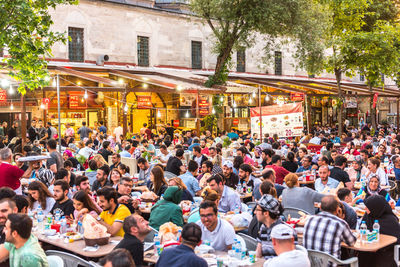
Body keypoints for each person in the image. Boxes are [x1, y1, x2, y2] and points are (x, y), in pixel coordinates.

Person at [303, 195, 356, 260]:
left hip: (310, 263)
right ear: (337, 209)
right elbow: (351, 242)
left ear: (320, 207)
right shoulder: (340, 224)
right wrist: (355, 234)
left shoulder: (309, 220)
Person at [359, 195, 400, 267]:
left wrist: (378, 246)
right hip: (367, 248)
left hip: (385, 251)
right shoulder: (369, 215)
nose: (365, 208)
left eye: (368, 207)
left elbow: (396, 239)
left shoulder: (391, 220)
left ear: (376, 207)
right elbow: (362, 231)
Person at [255, 194, 286, 259]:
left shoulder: (284, 231)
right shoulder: (263, 228)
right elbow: (258, 255)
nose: (255, 212)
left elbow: (286, 261)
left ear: (266, 213)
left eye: (257, 210)